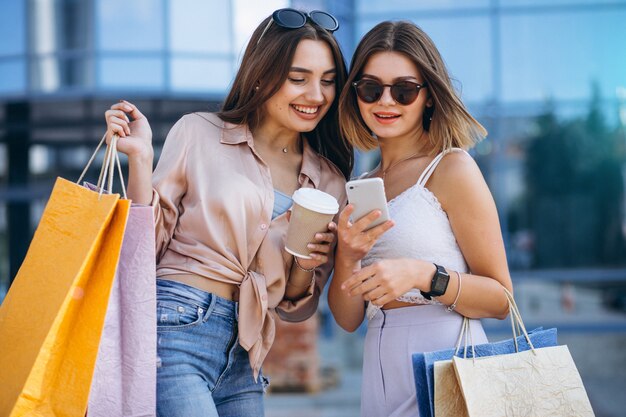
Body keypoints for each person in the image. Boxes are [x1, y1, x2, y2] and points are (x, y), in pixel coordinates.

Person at [104, 9, 352, 417]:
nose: (316, 95)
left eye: (327, 81)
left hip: (246, 352)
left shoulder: (329, 181)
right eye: (298, 78)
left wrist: (307, 263)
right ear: (261, 74)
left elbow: (296, 304)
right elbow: (141, 250)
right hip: (176, 324)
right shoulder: (198, 132)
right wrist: (141, 160)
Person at [328, 21, 513, 417]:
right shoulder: (360, 186)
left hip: (448, 359)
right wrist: (346, 256)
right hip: (377, 366)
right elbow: (347, 320)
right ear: (356, 95)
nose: (386, 101)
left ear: (428, 96)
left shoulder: (452, 168)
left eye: (404, 89)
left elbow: (502, 299)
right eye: (371, 88)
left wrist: (423, 275)